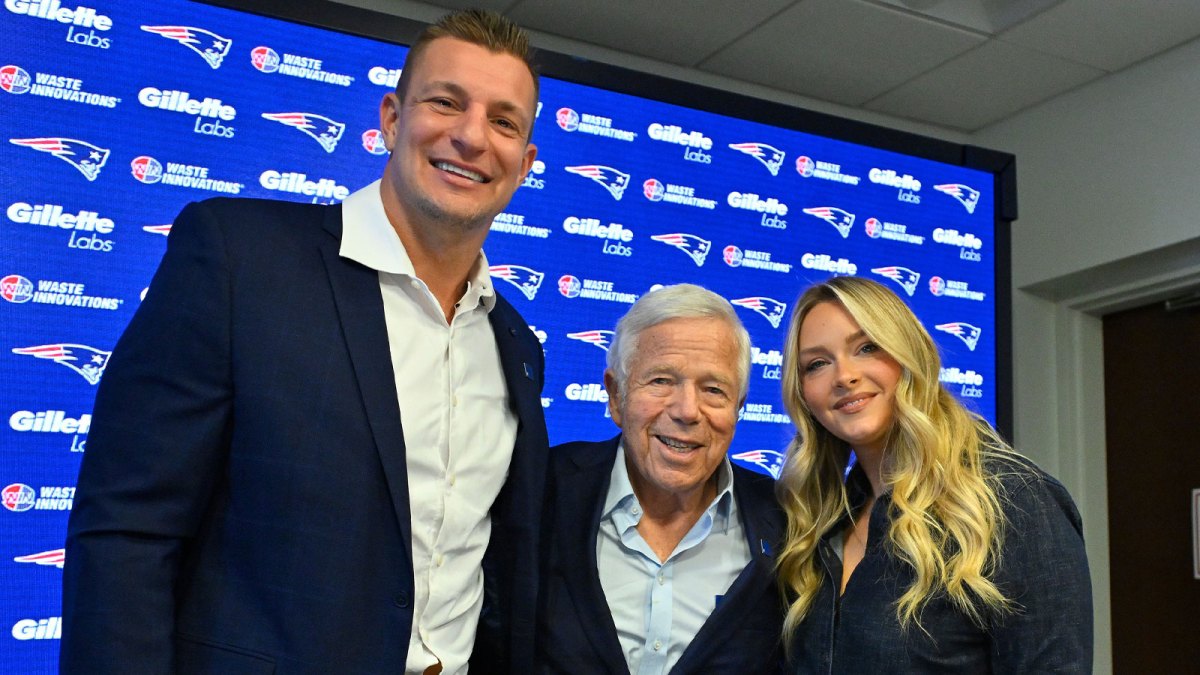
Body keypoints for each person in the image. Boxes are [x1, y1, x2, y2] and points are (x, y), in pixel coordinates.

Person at [60, 10, 548, 674]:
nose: (471, 135)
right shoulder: (237, 258)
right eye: (445, 102)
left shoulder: (515, 344)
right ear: (392, 119)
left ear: (525, 164)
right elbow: (127, 533)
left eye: (504, 122)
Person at [775, 276, 1092, 673]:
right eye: (817, 364)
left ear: (910, 355)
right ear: (802, 392)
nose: (844, 376)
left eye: (867, 347)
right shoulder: (819, 521)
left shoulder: (1016, 501)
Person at [535, 284, 786, 674]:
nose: (687, 411)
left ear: (738, 409)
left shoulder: (787, 521)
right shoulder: (540, 490)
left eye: (713, 389)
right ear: (616, 396)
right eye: (661, 381)